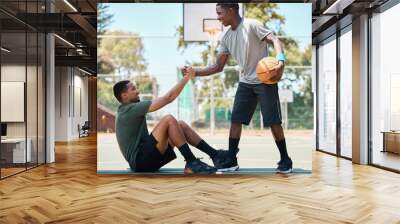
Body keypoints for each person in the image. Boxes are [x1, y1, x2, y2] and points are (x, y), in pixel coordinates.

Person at [182, 3, 292, 173]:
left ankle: (285, 159)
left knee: (273, 121)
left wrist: (281, 60)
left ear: (231, 10)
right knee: (235, 120)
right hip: (246, 81)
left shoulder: (252, 25)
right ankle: (231, 159)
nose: (218, 17)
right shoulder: (226, 37)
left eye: (220, 13)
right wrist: (194, 72)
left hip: (265, 80)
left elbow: (275, 40)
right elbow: (217, 67)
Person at [113, 67, 228, 174]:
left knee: (180, 125)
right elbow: (168, 98)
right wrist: (187, 78)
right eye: (133, 89)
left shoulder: (128, 108)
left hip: (147, 159)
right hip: (141, 163)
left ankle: (215, 155)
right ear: (124, 96)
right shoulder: (128, 109)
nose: (137, 91)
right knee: (168, 120)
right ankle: (191, 162)